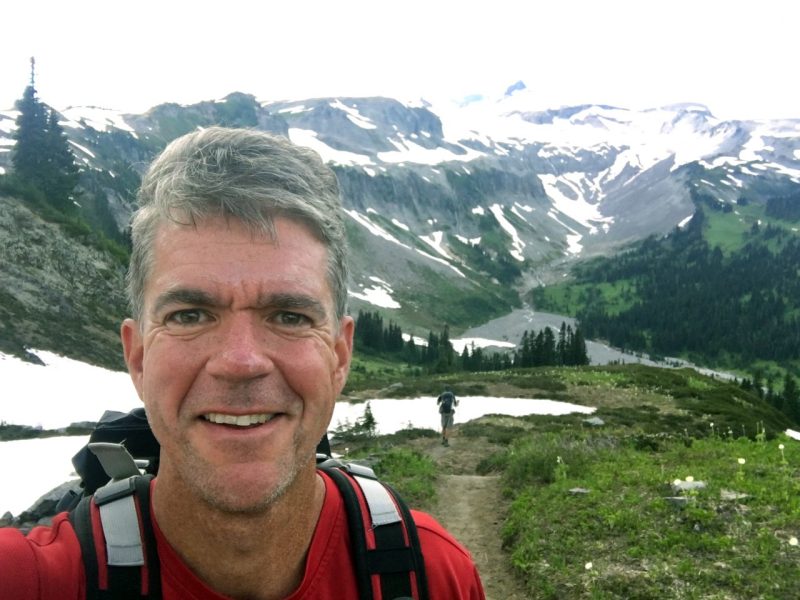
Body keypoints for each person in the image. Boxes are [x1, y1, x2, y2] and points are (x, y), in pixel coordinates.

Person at [0, 128, 485, 599]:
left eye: (289, 316)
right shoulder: (30, 580)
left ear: (340, 355)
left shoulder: (437, 576)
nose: (240, 362)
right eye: (189, 315)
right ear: (139, 355)